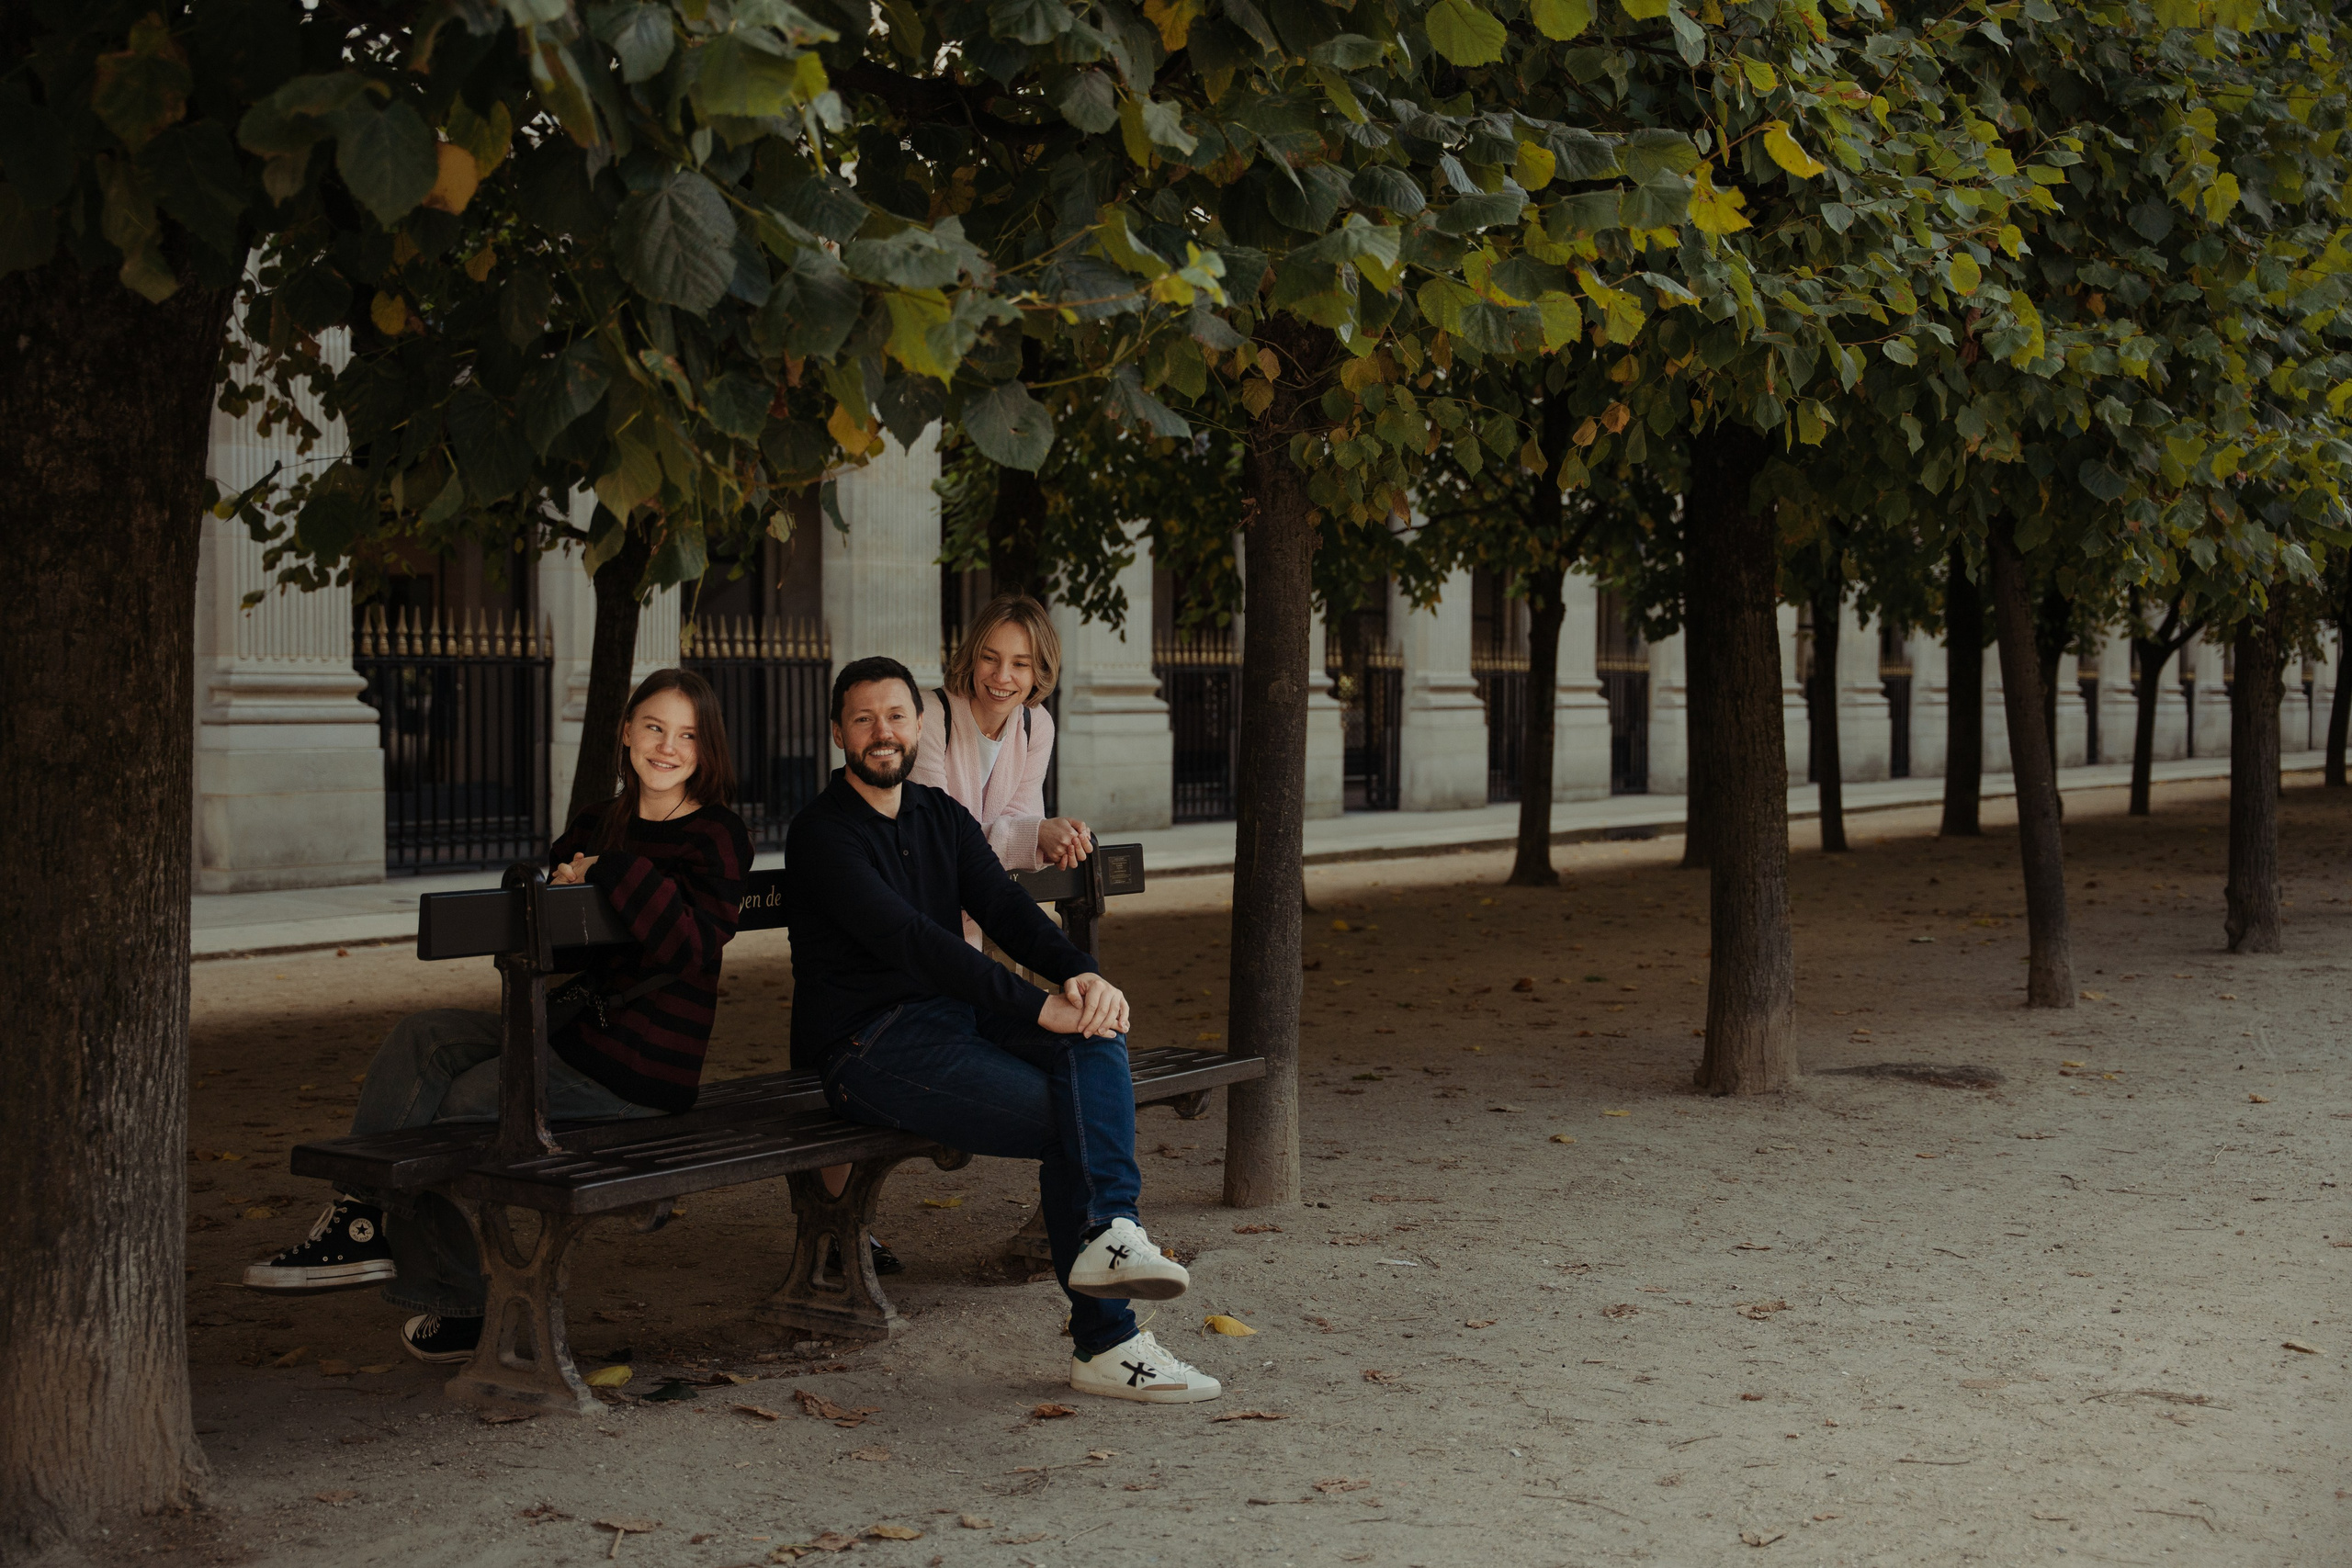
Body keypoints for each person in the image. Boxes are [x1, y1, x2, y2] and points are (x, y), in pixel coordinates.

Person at [243, 669, 752, 1365]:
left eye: (688, 734)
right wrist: (563, 890)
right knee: (421, 1038)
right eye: (655, 727)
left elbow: (694, 947)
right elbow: (545, 944)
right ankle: (361, 1212)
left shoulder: (717, 834)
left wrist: (609, 871)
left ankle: (454, 1296)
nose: (668, 746)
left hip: (638, 1071)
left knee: (452, 1105)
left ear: (708, 748)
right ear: (626, 732)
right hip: (571, 1030)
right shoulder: (595, 821)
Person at [786, 656, 1220, 1404]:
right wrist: (1033, 1003)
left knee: (1095, 1030)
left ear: (919, 727)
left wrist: (1077, 974)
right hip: (868, 1044)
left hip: (951, 1017)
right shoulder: (822, 834)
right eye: (863, 719)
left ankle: (1111, 1232)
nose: (881, 732)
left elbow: (1008, 911)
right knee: (1071, 1117)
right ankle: (1106, 1340)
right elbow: (917, 942)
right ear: (838, 733)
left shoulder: (942, 817)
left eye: (896, 716)